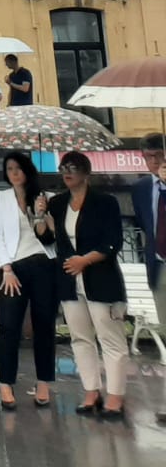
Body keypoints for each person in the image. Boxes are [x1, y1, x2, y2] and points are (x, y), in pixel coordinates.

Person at [49, 151, 128, 419]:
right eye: (63, 168)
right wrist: (40, 216)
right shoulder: (57, 203)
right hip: (69, 280)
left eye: (72, 167)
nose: (66, 172)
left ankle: (115, 395)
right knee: (80, 337)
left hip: (100, 278)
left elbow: (113, 241)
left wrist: (85, 260)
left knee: (110, 337)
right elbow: (49, 238)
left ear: (86, 171)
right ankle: (91, 391)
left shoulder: (105, 202)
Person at [0, 150, 57, 409]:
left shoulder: (46, 198)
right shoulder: (0, 198)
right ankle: (5, 384)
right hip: (13, 267)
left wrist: (43, 214)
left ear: (27, 170)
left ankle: (43, 382)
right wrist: (6, 268)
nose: (14, 174)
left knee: (44, 325)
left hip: (43, 264)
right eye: (9, 169)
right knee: (8, 326)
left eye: (18, 168)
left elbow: (52, 238)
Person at [136, 135, 166, 426]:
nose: (153, 161)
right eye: (148, 156)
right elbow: (145, 225)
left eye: (158, 154)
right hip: (158, 265)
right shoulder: (141, 188)